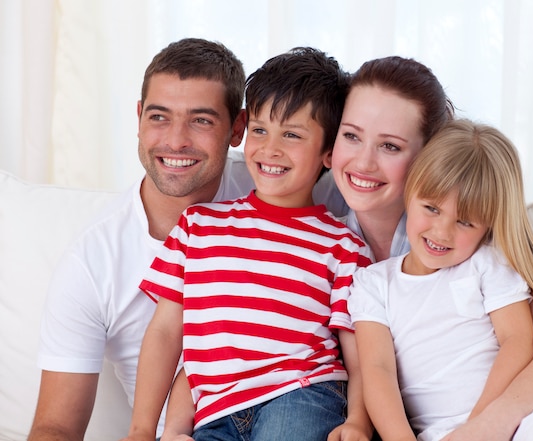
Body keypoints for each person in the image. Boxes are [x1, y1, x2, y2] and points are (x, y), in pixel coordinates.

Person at [28, 38, 344, 441]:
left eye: (201, 120)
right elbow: (55, 426)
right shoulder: (92, 262)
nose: (176, 140)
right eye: (159, 117)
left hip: (296, 405)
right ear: (139, 118)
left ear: (237, 128)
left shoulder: (282, 180)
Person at [330, 56, 533, 440]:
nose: (363, 161)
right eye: (351, 135)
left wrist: (482, 427)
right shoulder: (330, 238)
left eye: (391, 146)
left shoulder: (483, 250)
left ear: (427, 155)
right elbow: (374, 368)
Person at [125, 47, 373, 441]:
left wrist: (358, 420)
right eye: (260, 130)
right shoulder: (198, 225)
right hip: (216, 411)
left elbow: (361, 354)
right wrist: (143, 430)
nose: (270, 149)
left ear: (329, 152)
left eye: (291, 134)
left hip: (301, 393)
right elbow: (167, 334)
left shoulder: (343, 245)